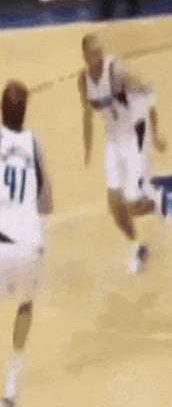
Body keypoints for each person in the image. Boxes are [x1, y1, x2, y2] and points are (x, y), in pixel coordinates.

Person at [78, 34, 168, 274]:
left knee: (130, 203)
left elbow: (148, 92)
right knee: (114, 205)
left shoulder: (116, 71)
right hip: (113, 139)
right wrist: (87, 147)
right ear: (85, 56)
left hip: (135, 135)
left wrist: (156, 132)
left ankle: (157, 200)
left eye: (100, 51)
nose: (98, 56)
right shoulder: (83, 79)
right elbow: (87, 113)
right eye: (93, 53)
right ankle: (137, 246)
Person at [0, 81, 53, 407]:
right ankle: (10, 386)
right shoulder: (34, 145)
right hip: (30, 246)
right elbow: (47, 204)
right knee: (25, 306)